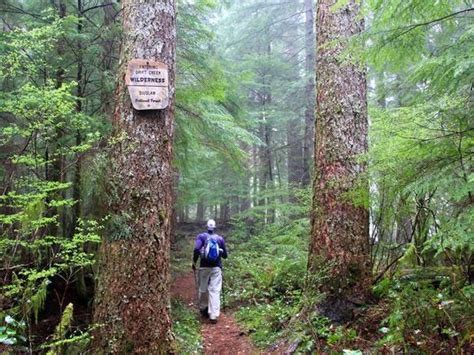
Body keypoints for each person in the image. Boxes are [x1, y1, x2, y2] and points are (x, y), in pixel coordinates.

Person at [192, 219, 227, 324]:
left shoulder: (201, 237)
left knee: (203, 288)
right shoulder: (220, 239)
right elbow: (225, 255)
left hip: (204, 267)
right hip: (216, 268)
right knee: (215, 290)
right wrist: (219, 253)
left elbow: (196, 249)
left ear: (206, 226)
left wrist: (194, 262)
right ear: (214, 227)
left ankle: (204, 309)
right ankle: (213, 315)